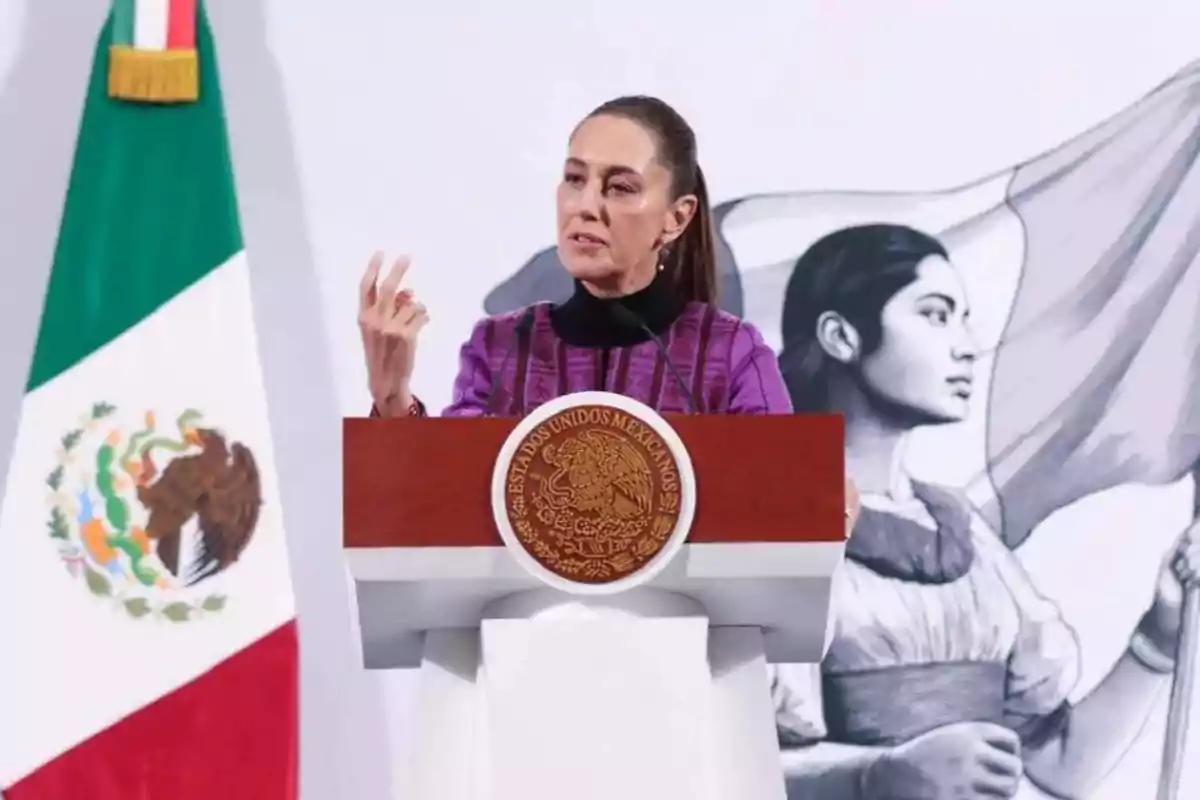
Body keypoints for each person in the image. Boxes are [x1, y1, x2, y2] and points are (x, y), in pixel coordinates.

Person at [771, 223, 1200, 800]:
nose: (967, 344)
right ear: (840, 336)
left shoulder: (961, 529)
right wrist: (877, 774)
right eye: (936, 314)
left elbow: (1062, 764)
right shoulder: (768, 517)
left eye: (964, 317)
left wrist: (1160, 635)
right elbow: (719, 763)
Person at [357, 95, 791, 417]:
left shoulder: (730, 353)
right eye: (574, 179)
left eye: (620, 187)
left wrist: (822, 503)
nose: (585, 205)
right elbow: (442, 502)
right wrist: (392, 398)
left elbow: (776, 500)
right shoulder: (500, 348)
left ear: (676, 218)